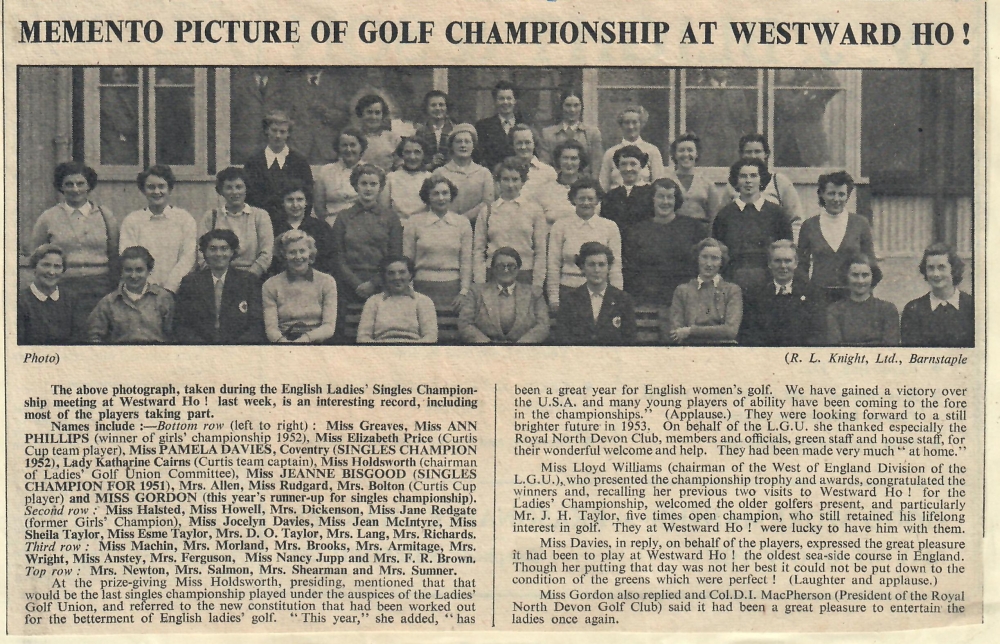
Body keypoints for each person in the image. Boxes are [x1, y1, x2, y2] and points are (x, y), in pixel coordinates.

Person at [31, 161, 118, 318]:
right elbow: (36, 254)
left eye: (80, 183)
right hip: (63, 287)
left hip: (101, 287)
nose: (75, 189)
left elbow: (114, 253)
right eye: (69, 184)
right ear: (61, 187)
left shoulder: (105, 215)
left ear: (88, 186)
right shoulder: (48, 217)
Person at [622, 178, 707, 338]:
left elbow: (702, 265)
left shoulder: (692, 227)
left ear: (676, 200)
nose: (665, 202)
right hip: (647, 301)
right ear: (652, 199)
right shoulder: (637, 231)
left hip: (684, 301)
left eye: (670, 197)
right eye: (661, 196)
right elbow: (631, 268)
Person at [331, 164, 404, 335]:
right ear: (355, 186)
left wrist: (374, 283)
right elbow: (337, 256)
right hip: (348, 285)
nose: (368, 188)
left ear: (381, 187)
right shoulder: (343, 217)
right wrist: (357, 284)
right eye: (363, 183)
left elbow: (395, 256)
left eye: (373, 184)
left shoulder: (391, 217)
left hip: (383, 284)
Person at [711, 158, 793, 292]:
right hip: (733, 282)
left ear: (761, 180)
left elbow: (786, 250)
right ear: (736, 181)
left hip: (769, 283)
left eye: (753, 176)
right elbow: (718, 253)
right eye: (743, 176)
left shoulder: (777, 213)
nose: (748, 180)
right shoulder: (724, 215)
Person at [173, 229, 263, 344]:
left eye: (224, 249)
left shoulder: (248, 281)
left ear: (232, 252)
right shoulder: (190, 282)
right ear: (205, 252)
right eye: (212, 249)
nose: (218, 254)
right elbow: (181, 325)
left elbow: (256, 325)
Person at [797, 171, 876, 301]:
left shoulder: (860, 223)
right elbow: (801, 266)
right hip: (819, 296)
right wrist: (805, 294)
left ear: (848, 196)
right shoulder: (809, 225)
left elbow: (871, 263)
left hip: (852, 295)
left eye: (841, 194)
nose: (836, 199)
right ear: (822, 194)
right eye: (831, 193)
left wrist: (866, 296)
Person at [118, 165, 196, 296]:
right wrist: (149, 289)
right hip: (141, 292)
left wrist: (170, 288)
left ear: (169, 189)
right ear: (143, 190)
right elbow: (129, 257)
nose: (156, 191)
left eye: (161, 186)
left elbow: (188, 258)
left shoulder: (184, 219)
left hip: (177, 291)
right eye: (151, 187)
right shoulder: (132, 220)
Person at [472, 158, 547, 294]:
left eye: (515, 179)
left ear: (523, 182)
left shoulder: (534, 210)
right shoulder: (488, 211)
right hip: (493, 274)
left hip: (524, 275)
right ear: (498, 182)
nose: (510, 185)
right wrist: (480, 282)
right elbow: (478, 250)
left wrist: (537, 284)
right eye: (505, 179)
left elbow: (540, 251)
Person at [547, 178, 622, 312]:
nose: (586, 203)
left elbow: (615, 267)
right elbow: (553, 264)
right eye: (581, 198)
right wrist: (553, 297)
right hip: (568, 291)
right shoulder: (560, 226)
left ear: (597, 200)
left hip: (600, 292)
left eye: (590, 198)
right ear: (573, 200)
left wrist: (617, 297)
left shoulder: (610, 226)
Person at [403, 177, 473, 312]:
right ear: (427, 197)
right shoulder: (414, 222)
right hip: (421, 287)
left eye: (445, 193)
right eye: (435, 194)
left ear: (451, 195)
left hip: (452, 289)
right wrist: (409, 289)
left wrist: (464, 291)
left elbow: (466, 261)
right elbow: (407, 260)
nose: (441, 198)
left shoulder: (462, 223)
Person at [739, 240, 824, 346]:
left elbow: (817, 333)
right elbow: (749, 333)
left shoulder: (812, 294)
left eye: (787, 261)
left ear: (796, 263)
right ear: (769, 264)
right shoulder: (755, 295)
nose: (783, 266)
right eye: (777, 261)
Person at [459, 247, 549, 344]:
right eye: (500, 266)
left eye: (511, 266)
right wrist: (487, 345)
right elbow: (465, 323)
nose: (506, 270)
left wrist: (521, 346)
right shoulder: (476, 292)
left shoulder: (534, 293)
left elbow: (543, 325)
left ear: (518, 268)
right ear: (493, 269)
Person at [261, 229, 338, 343]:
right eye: (292, 252)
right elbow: (271, 328)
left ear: (310, 253)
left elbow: (329, 327)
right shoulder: (270, 285)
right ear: (284, 255)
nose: (298, 257)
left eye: (302, 251)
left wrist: (306, 339)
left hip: (316, 342)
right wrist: (285, 343)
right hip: (284, 342)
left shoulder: (327, 281)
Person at [197, 166, 274, 278]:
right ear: (221, 191)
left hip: (251, 277)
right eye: (228, 188)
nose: (234, 192)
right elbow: (201, 252)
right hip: (217, 276)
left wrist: (247, 278)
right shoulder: (211, 216)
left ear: (246, 188)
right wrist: (217, 277)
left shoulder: (260, 216)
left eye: (239, 187)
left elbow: (266, 254)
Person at [87, 246, 174, 343]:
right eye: (128, 270)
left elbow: (173, 335)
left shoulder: (162, 298)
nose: (133, 276)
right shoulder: (108, 302)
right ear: (121, 272)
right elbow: (94, 337)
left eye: (139, 270)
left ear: (148, 271)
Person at [727, 133, 804, 241]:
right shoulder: (733, 184)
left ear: (766, 154)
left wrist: (790, 246)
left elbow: (796, 220)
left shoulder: (779, 181)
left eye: (757, 151)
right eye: (748, 152)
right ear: (741, 155)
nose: (753, 156)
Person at [243, 110, 314, 227]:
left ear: (288, 134)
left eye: (282, 132)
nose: (278, 136)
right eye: (274, 130)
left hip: (292, 224)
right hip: (260, 224)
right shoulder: (254, 162)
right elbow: (248, 197)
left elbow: (308, 196)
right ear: (266, 131)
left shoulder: (299, 162)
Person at [556, 242, 636, 345]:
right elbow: (563, 339)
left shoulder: (623, 300)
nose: (597, 270)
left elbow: (629, 340)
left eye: (601, 265)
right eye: (591, 265)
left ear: (609, 268)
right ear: (582, 268)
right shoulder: (570, 300)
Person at [669, 238, 743, 345]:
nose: (708, 264)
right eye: (704, 257)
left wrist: (690, 331)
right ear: (697, 259)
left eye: (714, 258)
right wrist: (715, 331)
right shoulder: (682, 291)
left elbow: (730, 331)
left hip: (723, 350)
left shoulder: (732, 290)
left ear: (721, 262)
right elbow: (676, 333)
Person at [900, 243, 974, 347]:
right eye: (930, 268)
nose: (936, 274)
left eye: (941, 267)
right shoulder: (913, 310)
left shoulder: (972, 306)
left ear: (953, 269)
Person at [357, 255, 437, 343]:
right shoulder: (373, 301)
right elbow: (362, 337)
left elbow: (431, 337)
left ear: (410, 275)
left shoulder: (423, 301)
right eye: (391, 273)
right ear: (384, 276)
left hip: (413, 351)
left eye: (402, 272)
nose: (397, 277)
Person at [826, 253, 900, 346]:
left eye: (865, 275)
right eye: (855, 275)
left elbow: (890, 347)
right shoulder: (835, 311)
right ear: (846, 277)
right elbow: (835, 348)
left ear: (873, 277)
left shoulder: (887, 309)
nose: (860, 281)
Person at [18, 244, 85, 344]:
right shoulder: (20, 301)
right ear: (34, 267)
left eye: (57, 266)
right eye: (46, 265)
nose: (51, 272)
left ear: (63, 271)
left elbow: (77, 339)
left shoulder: (71, 299)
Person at [269, 179, 334, 276]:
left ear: (306, 202)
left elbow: (329, 260)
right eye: (290, 200)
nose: (295, 205)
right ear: (282, 202)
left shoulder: (321, 227)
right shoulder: (274, 227)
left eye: (299, 199)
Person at [432, 124, 495, 225]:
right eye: (458, 142)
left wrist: (463, 219)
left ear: (473, 146)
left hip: (475, 226)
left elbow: (487, 203)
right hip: (445, 226)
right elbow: (433, 202)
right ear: (452, 146)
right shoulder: (440, 172)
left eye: (467, 142)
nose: (463, 145)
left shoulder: (484, 173)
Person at [537, 89, 603, 180]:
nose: (572, 110)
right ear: (561, 107)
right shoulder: (548, 133)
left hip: (584, 184)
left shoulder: (592, 133)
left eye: (576, 105)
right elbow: (544, 165)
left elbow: (596, 166)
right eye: (568, 105)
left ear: (582, 107)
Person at [598, 105, 664, 191]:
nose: (631, 127)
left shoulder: (652, 151)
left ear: (641, 124)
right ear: (621, 125)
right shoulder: (610, 153)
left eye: (634, 122)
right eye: (626, 122)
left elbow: (658, 184)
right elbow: (603, 185)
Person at [663, 132, 722, 226]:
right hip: (673, 230)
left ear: (696, 154)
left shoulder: (707, 183)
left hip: (700, 232)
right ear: (674, 154)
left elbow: (714, 216)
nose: (686, 154)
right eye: (681, 150)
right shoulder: (665, 181)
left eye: (690, 150)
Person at [313, 127, 366, 227]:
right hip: (332, 225)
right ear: (338, 148)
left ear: (361, 147)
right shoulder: (325, 172)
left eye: (353, 145)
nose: (348, 149)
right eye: (344, 145)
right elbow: (319, 207)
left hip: (363, 226)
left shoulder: (370, 171)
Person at [600, 145, 656, 235]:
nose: (628, 169)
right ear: (618, 167)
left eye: (633, 164)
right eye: (623, 164)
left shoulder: (652, 193)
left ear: (641, 165)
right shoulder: (610, 196)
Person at [533, 139, 589, 227]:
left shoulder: (590, 189)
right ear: (558, 160)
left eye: (573, 158)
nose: (569, 163)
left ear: (580, 161)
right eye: (565, 158)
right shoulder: (544, 191)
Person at [379, 137, 432, 225]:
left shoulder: (430, 177)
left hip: (423, 226)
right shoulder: (391, 178)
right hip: (397, 226)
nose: (412, 157)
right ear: (402, 154)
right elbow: (384, 209)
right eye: (407, 152)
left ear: (424, 154)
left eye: (417, 152)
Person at [474, 80, 522, 173]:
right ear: (495, 101)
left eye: (509, 98)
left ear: (515, 100)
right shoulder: (483, 127)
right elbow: (478, 157)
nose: (505, 102)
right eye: (501, 98)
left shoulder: (524, 125)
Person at [508, 124, 558, 203]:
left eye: (527, 142)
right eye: (519, 143)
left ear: (534, 144)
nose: (523, 147)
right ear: (512, 145)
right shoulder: (505, 170)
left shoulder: (548, 172)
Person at [356, 94, 402, 172]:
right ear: (361, 113)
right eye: (369, 112)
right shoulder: (354, 137)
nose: (373, 117)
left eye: (377, 113)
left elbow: (400, 167)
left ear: (382, 115)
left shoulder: (393, 138)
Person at [413, 90, 454, 170]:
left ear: (447, 107)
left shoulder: (455, 130)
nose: (438, 108)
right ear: (426, 108)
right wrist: (431, 164)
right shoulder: (420, 132)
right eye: (433, 105)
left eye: (441, 105)